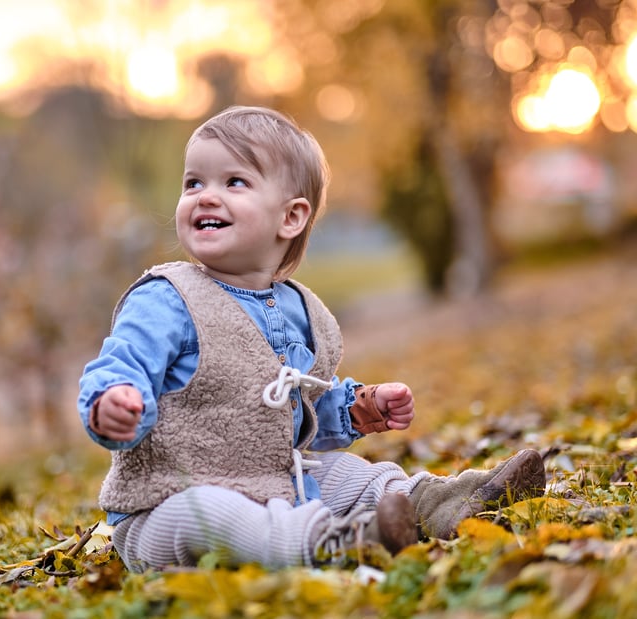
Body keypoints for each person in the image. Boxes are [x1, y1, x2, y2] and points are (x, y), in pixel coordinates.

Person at [78, 105, 546, 572]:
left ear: (291, 217)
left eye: (233, 182)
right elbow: (122, 363)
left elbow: (300, 405)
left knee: (354, 476)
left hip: (274, 482)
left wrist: (357, 406)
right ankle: (335, 542)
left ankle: (435, 502)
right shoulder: (168, 298)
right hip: (166, 506)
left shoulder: (301, 312)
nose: (205, 196)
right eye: (193, 182)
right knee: (215, 515)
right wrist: (113, 400)